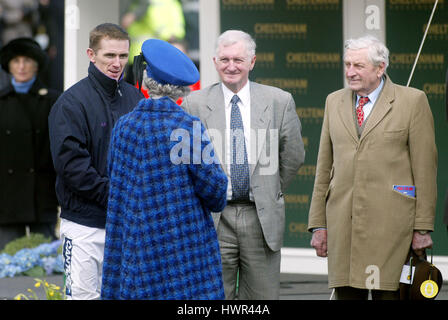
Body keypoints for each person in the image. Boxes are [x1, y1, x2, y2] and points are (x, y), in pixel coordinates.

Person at [308, 35, 437, 300]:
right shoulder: (334, 101)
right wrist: (318, 225)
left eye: (358, 65)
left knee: (387, 295)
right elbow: (324, 167)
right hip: (343, 227)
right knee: (346, 295)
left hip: (391, 229)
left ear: (380, 68)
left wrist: (422, 229)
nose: (350, 72)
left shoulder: (412, 101)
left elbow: (425, 171)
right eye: (347, 65)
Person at [182, 30, 305, 300]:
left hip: (260, 219)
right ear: (214, 61)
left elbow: (293, 156)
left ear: (252, 62)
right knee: (212, 298)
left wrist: (266, 188)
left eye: (238, 59)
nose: (231, 66)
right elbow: (188, 163)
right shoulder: (195, 104)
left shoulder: (279, 101)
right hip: (214, 219)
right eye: (224, 59)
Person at [101, 38, 227, 300]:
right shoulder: (187, 127)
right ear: (181, 89)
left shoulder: (124, 127)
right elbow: (216, 191)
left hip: (135, 252)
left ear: (145, 79)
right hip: (183, 254)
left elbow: (115, 181)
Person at [48, 23, 144, 300]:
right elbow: (71, 167)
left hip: (125, 224)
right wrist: (118, 195)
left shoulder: (135, 98)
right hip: (84, 226)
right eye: (109, 56)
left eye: (123, 56)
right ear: (91, 54)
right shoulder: (71, 103)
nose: (117, 63)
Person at [0, 37, 60, 249]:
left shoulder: (54, 100)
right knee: (7, 267)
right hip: (7, 197)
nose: (22, 66)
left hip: (41, 195)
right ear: (9, 65)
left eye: (27, 60)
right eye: (16, 61)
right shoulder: (1, 101)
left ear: (36, 64)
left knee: (45, 269)